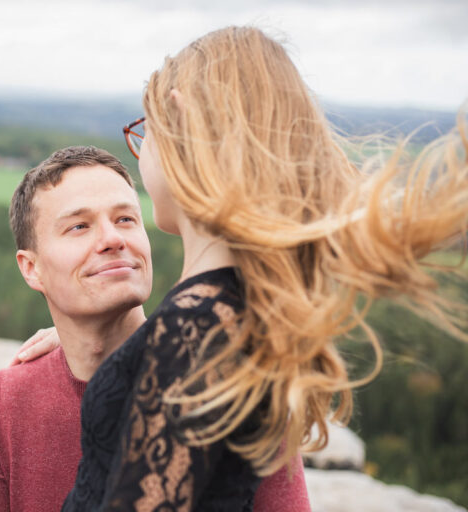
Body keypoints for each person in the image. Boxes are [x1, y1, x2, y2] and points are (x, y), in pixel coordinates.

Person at [61, 26, 468, 511]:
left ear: (181, 120)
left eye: (146, 130)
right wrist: (101, 340)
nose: (142, 150)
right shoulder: (234, 309)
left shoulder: (197, 328)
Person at [0, 146, 310, 511]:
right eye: (79, 226)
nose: (113, 238)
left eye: (125, 219)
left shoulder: (233, 380)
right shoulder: (4, 402)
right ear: (32, 268)